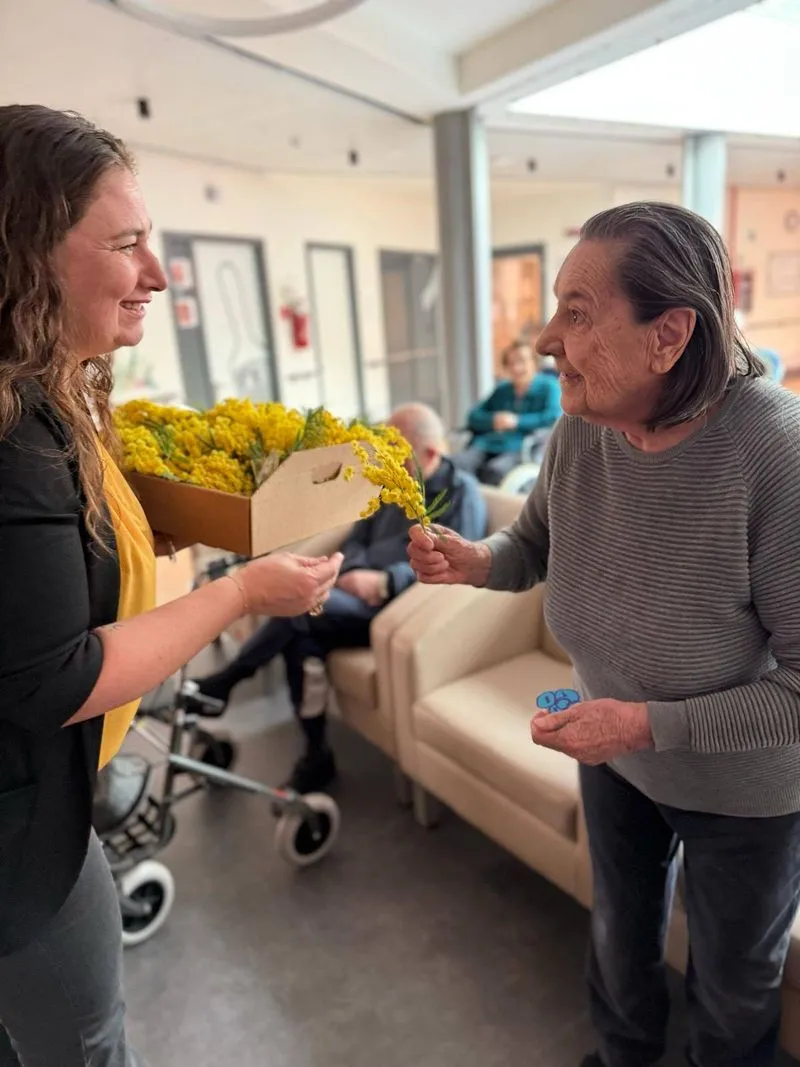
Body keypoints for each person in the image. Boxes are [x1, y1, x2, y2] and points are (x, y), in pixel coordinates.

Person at [408, 201, 800, 1067]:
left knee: (733, 993)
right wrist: (477, 559)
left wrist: (645, 721)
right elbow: (534, 546)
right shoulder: (579, 430)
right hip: (614, 757)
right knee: (620, 947)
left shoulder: (777, 455)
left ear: (669, 335)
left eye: (576, 314)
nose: (547, 339)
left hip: (744, 792)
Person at [0, 104, 342, 1067]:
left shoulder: (53, 391)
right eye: (128, 245)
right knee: (84, 1041)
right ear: (28, 256)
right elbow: (55, 676)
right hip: (21, 835)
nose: (157, 274)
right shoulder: (18, 436)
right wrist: (240, 594)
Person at [193, 402, 487, 793]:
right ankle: (316, 754)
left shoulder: (461, 494)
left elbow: (455, 569)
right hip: (349, 598)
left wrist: (382, 581)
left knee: (300, 608)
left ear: (431, 453)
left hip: (401, 611)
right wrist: (341, 569)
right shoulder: (392, 484)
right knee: (303, 637)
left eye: (395, 452)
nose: (384, 460)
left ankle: (227, 681)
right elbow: (358, 539)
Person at [454, 339, 561, 485]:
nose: (517, 368)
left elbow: (552, 417)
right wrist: (493, 420)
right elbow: (473, 416)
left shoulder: (549, 386)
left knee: (494, 472)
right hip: (488, 443)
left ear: (534, 363)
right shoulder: (502, 390)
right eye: (511, 363)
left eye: (522, 361)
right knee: (456, 465)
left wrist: (516, 421)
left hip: (519, 447)